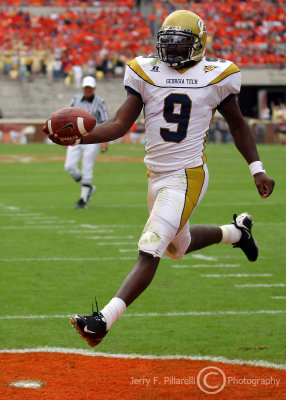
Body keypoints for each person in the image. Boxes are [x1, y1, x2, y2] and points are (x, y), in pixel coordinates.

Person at [45, 10, 275, 347]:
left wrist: (257, 168)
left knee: (150, 248)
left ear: (198, 45)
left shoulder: (217, 75)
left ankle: (102, 320)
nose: (173, 51)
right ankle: (236, 233)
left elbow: (238, 125)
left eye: (181, 44)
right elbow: (121, 124)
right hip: (155, 174)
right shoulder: (146, 71)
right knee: (176, 247)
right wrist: (79, 138)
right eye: (168, 43)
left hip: (187, 175)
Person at [64, 76, 109, 209]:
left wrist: (105, 140)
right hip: (76, 137)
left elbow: (104, 121)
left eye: (90, 87)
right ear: (83, 87)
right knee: (70, 166)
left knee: (87, 167)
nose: (88, 90)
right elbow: (67, 118)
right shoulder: (76, 99)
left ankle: (83, 200)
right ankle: (88, 187)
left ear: (94, 88)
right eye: (86, 87)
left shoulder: (100, 101)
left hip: (92, 137)